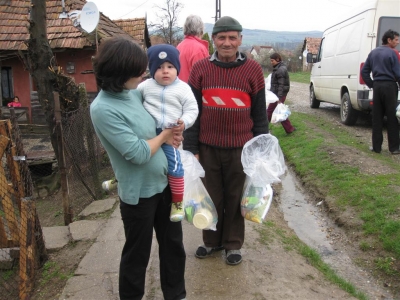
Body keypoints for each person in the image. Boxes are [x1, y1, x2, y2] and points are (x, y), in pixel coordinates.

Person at [90, 36, 187, 300]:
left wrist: (174, 131)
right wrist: (165, 135)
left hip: (164, 184)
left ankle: (176, 295)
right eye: (138, 70)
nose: (144, 74)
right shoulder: (103, 108)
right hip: (138, 195)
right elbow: (138, 152)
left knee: (173, 248)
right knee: (137, 255)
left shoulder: (133, 93)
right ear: (120, 72)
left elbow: (158, 123)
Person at [183, 16, 269, 266]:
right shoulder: (200, 69)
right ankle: (211, 241)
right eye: (221, 37)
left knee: (234, 197)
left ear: (240, 40)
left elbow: (260, 115)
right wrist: (191, 148)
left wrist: (260, 149)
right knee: (210, 197)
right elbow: (193, 112)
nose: (227, 43)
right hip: (207, 146)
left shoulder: (253, 70)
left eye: (232, 37)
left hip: (240, 150)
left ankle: (232, 244)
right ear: (213, 40)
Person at [138, 44, 198, 222]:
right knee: (137, 160)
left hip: (171, 135)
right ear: (151, 69)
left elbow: (192, 109)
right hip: (147, 132)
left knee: (175, 167)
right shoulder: (144, 87)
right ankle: (116, 180)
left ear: (177, 68)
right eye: (159, 67)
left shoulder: (183, 88)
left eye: (170, 67)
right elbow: (132, 102)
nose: (165, 71)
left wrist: (184, 122)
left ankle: (178, 203)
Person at [361, 29, 400, 155]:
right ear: (389, 40)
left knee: (377, 117)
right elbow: (398, 74)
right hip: (389, 86)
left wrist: (372, 84)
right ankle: (394, 148)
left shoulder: (373, 53)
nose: (398, 42)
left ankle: (376, 147)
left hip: (377, 87)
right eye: (396, 40)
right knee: (391, 117)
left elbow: (364, 72)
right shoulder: (393, 53)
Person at [267, 53, 296, 134]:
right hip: (278, 94)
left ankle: (263, 129)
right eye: (271, 61)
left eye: (272, 61)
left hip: (279, 94)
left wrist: (279, 98)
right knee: (280, 111)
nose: (271, 62)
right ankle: (290, 129)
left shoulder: (280, 70)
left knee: (270, 111)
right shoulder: (278, 68)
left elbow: (281, 85)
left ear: (277, 59)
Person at [176, 14, 209, 83]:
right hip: (193, 92)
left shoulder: (179, 46)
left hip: (179, 90)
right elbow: (202, 77)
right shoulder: (199, 49)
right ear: (201, 31)